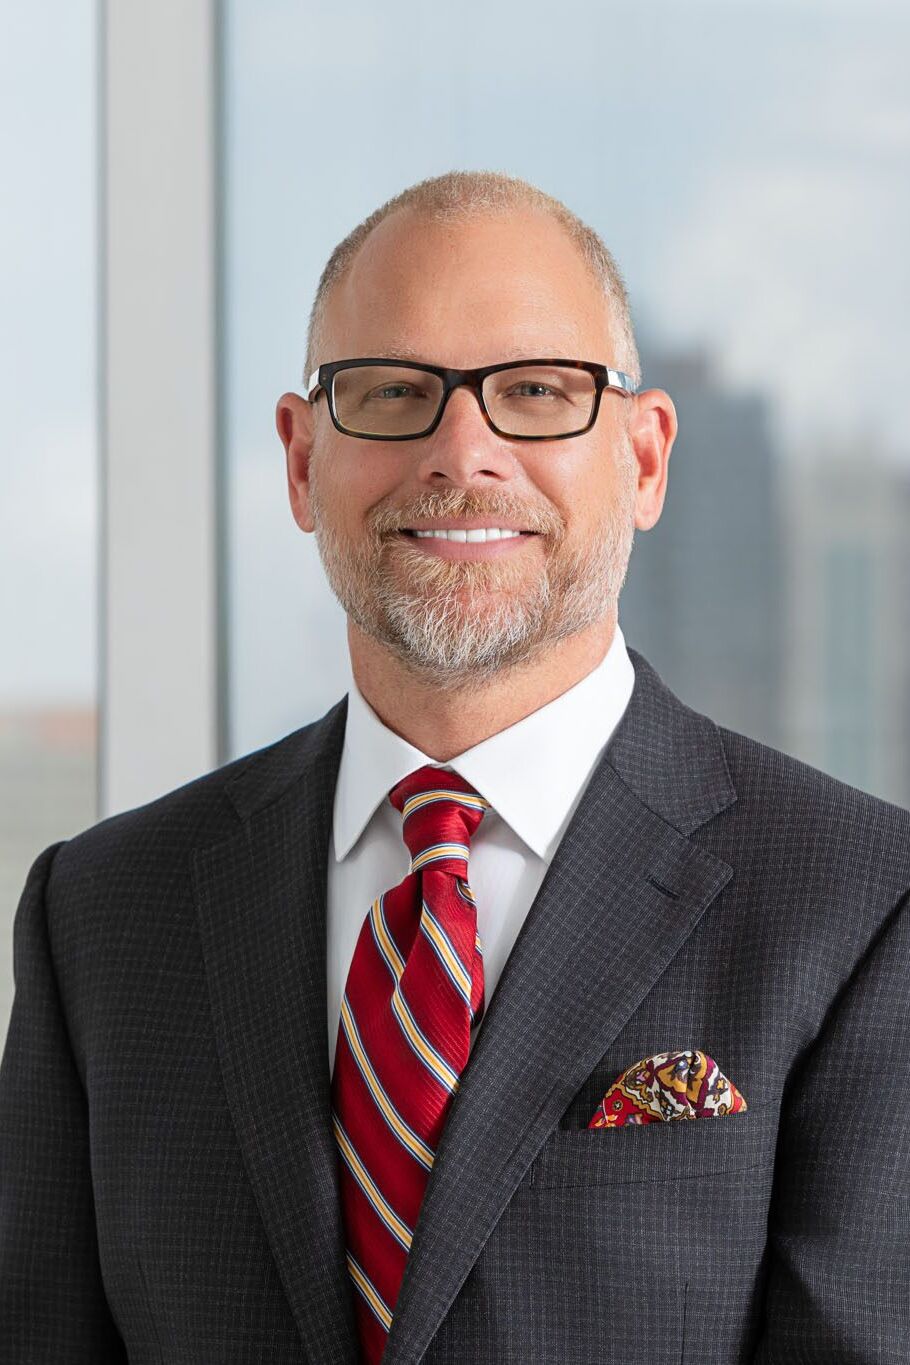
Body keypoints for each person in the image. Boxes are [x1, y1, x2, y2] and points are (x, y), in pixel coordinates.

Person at [1, 170, 908, 1365]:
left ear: (643, 460)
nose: (462, 452)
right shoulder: (103, 914)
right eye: (391, 392)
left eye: (536, 391)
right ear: (298, 457)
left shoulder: (862, 904)